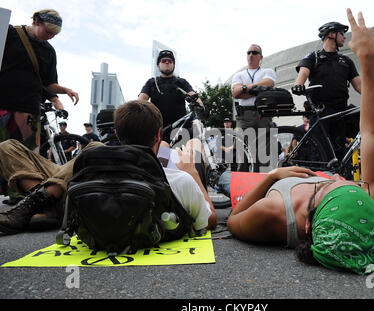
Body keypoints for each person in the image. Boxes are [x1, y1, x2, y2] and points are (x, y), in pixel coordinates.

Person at [226, 9, 374, 275]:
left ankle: (220, 176)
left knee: (227, 179)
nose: (334, 181)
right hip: (320, 106)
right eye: (350, 188)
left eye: (332, 191)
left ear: (307, 226)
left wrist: (272, 177)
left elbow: (234, 220)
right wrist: (369, 58)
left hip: (262, 187)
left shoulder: (274, 213)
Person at [0, 100, 217, 235]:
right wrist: (192, 172)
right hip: (78, 189)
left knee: (92, 147)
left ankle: (43, 201)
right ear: (159, 134)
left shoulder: (96, 160)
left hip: (80, 190)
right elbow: (208, 221)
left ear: (118, 135)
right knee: (7, 146)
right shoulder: (180, 178)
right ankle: (46, 201)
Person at [0, 9, 79, 151]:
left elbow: (49, 84)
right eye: (48, 32)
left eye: (54, 34)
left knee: (28, 156)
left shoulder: (49, 51)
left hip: (29, 109)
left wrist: (65, 90)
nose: (51, 37)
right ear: (36, 22)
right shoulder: (10, 33)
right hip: (3, 104)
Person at [293, 21, 361, 160]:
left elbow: (359, 86)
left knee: (339, 153)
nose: (344, 37)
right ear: (331, 34)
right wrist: (298, 84)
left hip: (340, 112)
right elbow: (303, 72)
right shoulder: (314, 57)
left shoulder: (346, 61)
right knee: (320, 154)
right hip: (320, 112)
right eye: (342, 33)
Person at [138, 50, 203, 143]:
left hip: (181, 130)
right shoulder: (151, 83)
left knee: (198, 142)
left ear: (174, 65)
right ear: (158, 65)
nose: (167, 63)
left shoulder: (181, 82)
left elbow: (193, 95)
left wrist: (201, 105)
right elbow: (141, 100)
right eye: (164, 61)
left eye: (170, 61)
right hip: (157, 130)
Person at [231, 44, 276, 172]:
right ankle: (242, 189)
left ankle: (263, 187)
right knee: (243, 154)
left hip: (263, 114)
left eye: (255, 53)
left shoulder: (268, 71)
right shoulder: (238, 75)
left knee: (263, 156)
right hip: (244, 116)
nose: (251, 55)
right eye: (249, 52)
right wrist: (257, 89)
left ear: (260, 57)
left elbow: (269, 83)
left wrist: (245, 88)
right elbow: (235, 93)